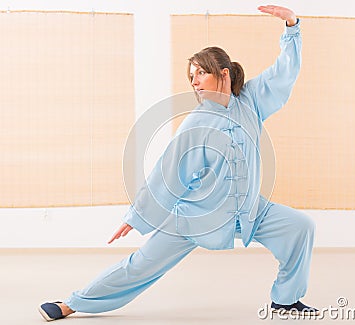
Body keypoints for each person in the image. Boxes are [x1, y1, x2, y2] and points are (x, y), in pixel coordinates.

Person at [39, 5, 318, 321]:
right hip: (197, 215)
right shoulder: (195, 123)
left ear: (223, 73)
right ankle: (74, 303)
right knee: (141, 264)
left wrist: (292, 25)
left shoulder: (251, 102)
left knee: (300, 227)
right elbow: (167, 173)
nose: (195, 82)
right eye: (191, 76)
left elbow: (285, 72)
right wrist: (136, 216)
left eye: (201, 73)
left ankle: (285, 300)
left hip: (250, 210)